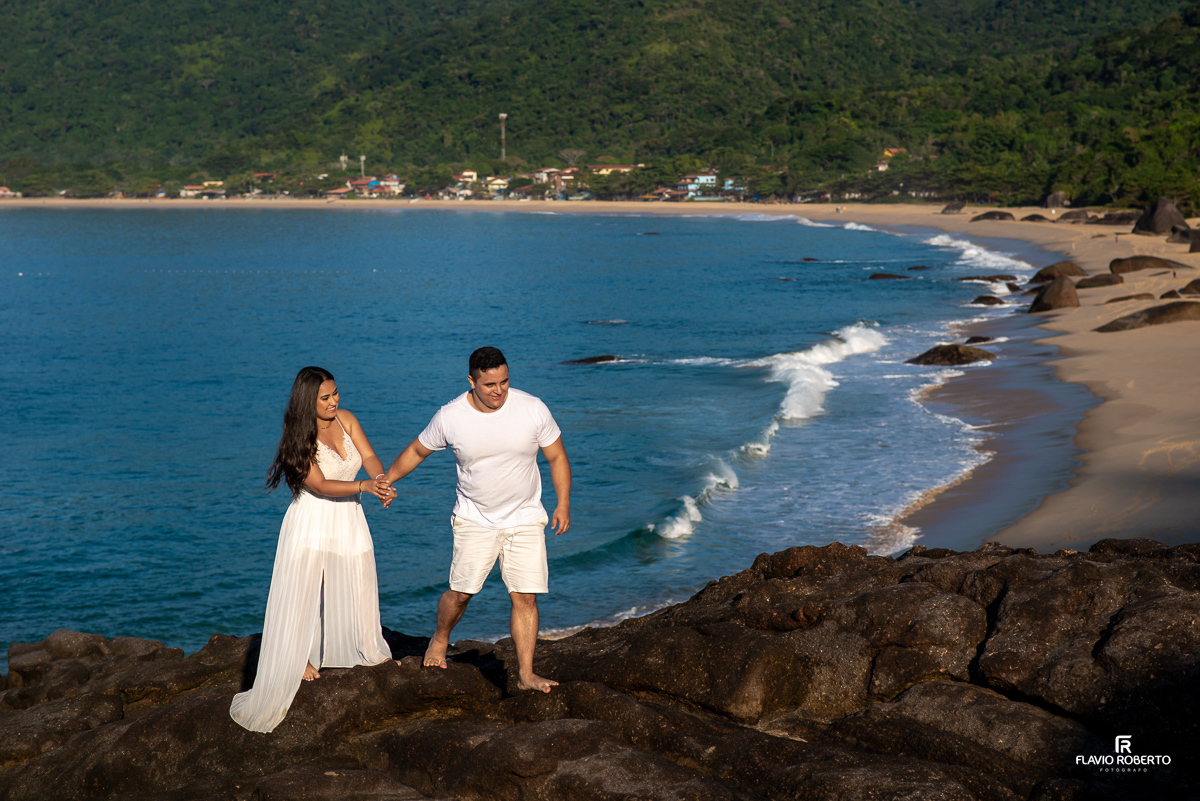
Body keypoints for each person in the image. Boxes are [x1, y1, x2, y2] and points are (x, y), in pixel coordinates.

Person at [382, 347, 570, 693]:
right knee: (462, 592)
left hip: (525, 517)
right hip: (475, 519)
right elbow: (417, 451)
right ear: (472, 381)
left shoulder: (532, 408)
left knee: (525, 597)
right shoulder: (450, 416)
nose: (499, 391)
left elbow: (556, 456)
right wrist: (387, 480)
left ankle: (526, 674)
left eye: (504, 381)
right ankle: (440, 639)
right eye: (489, 385)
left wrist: (563, 504)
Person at [230, 366, 397, 732]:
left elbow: (368, 457)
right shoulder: (297, 439)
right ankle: (298, 657)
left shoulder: (347, 419)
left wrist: (380, 480)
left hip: (349, 517)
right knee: (306, 591)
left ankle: (369, 647)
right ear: (309, 401)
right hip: (312, 521)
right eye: (325, 397)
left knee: (360, 576)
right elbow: (319, 485)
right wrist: (365, 488)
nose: (334, 401)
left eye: (336, 393)